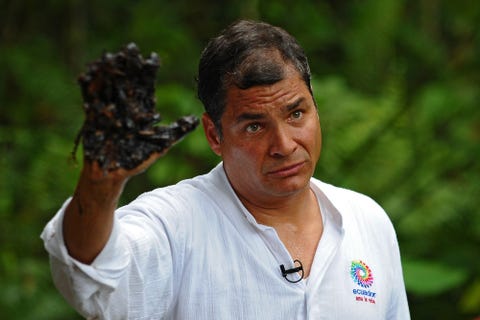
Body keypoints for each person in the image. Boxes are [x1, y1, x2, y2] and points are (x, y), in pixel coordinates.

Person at [41, 20, 410, 319]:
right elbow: (91, 276)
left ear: (315, 107)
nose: (284, 145)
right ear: (214, 135)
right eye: (254, 126)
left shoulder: (366, 221)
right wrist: (101, 181)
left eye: (296, 114)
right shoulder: (174, 224)